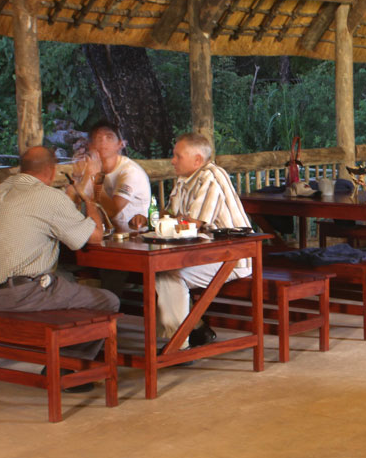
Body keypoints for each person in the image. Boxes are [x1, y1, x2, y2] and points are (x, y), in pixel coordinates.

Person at [0, 145, 118, 364]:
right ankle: (72, 364)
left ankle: (67, 354)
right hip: (21, 295)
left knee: (66, 280)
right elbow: (95, 236)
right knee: (108, 301)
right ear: (51, 170)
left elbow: (53, 210)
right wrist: (88, 200)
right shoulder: (47, 197)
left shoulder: (2, 189)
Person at [155, 133, 253, 348]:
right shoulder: (184, 179)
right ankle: (195, 329)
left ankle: (178, 344)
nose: (172, 160)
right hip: (207, 255)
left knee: (169, 274)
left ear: (197, 160)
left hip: (234, 258)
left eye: (177, 156)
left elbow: (191, 223)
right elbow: (171, 215)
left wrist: (175, 220)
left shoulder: (211, 176)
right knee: (162, 271)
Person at [82, 120, 151, 231]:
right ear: (90, 145)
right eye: (98, 138)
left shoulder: (130, 172)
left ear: (120, 144)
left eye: (109, 137)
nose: (103, 142)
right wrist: (78, 176)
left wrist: (95, 178)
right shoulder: (90, 168)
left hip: (132, 239)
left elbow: (112, 212)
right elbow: (73, 204)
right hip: (102, 235)